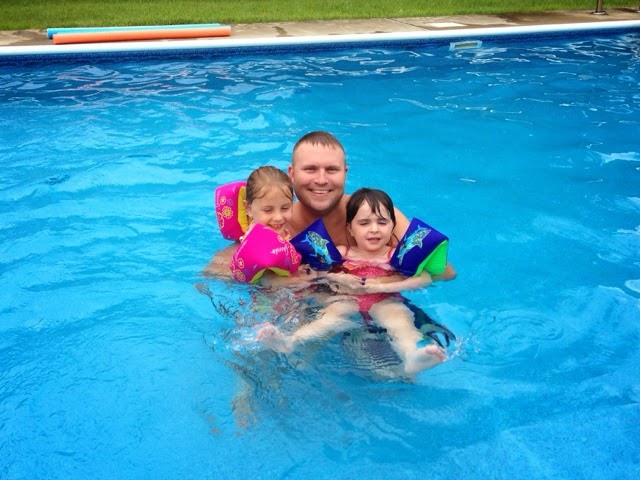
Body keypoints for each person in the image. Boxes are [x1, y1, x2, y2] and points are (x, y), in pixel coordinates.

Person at [205, 130, 457, 283]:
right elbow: (213, 273)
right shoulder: (277, 221)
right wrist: (270, 279)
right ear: (291, 173)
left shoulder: (371, 214)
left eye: (332, 170)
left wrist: (379, 281)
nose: (321, 180)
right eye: (310, 169)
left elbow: (444, 273)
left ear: (345, 173)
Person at [257, 188, 447, 375]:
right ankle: (290, 341)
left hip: (384, 300)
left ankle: (411, 356)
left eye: (382, 222)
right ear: (350, 229)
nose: (374, 229)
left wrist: (380, 286)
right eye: (364, 223)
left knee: (400, 320)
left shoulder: (396, 257)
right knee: (330, 318)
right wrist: (338, 277)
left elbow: (424, 279)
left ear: (392, 225)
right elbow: (319, 273)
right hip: (347, 300)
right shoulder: (342, 253)